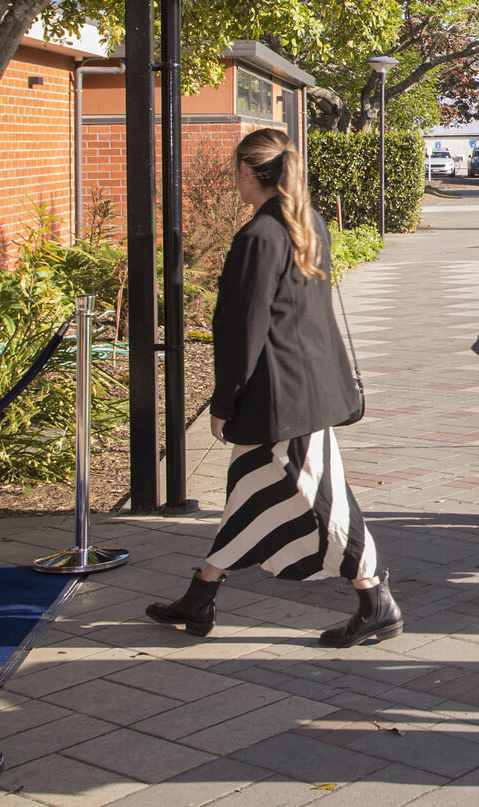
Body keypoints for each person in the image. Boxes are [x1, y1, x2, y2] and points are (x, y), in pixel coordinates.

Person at [146, 128, 399, 648]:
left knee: (325, 502)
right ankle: (202, 592)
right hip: (303, 389)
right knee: (248, 492)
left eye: (235, 171)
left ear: (247, 171)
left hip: (284, 398)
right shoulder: (306, 224)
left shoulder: (259, 236)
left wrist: (223, 402)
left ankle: (376, 599)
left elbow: (244, 328)